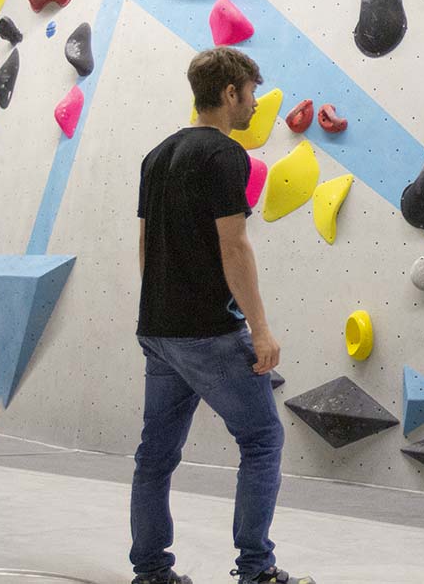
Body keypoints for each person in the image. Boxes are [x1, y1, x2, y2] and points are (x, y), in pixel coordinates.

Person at [130, 47, 314, 584]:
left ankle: (151, 572)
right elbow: (234, 247)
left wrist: (163, 307)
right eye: (252, 94)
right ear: (230, 93)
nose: (256, 105)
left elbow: (145, 242)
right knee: (262, 440)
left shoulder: (157, 155)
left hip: (159, 331)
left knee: (155, 456)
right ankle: (257, 570)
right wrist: (260, 330)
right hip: (209, 331)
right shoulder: (226, 156)